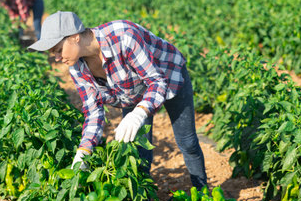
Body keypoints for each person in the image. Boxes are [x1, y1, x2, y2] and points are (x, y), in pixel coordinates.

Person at [29, 11, 207, 190]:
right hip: (132, 91)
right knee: (138, 151)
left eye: (58, 50)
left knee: (187, 141)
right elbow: (93, 113)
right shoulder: (77, 68)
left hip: (169, 75)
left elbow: (157, 82)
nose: (57, 58)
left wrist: (139, 113)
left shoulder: (123, 36)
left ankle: (202, 192)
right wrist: (84, 151)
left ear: (75, 37)